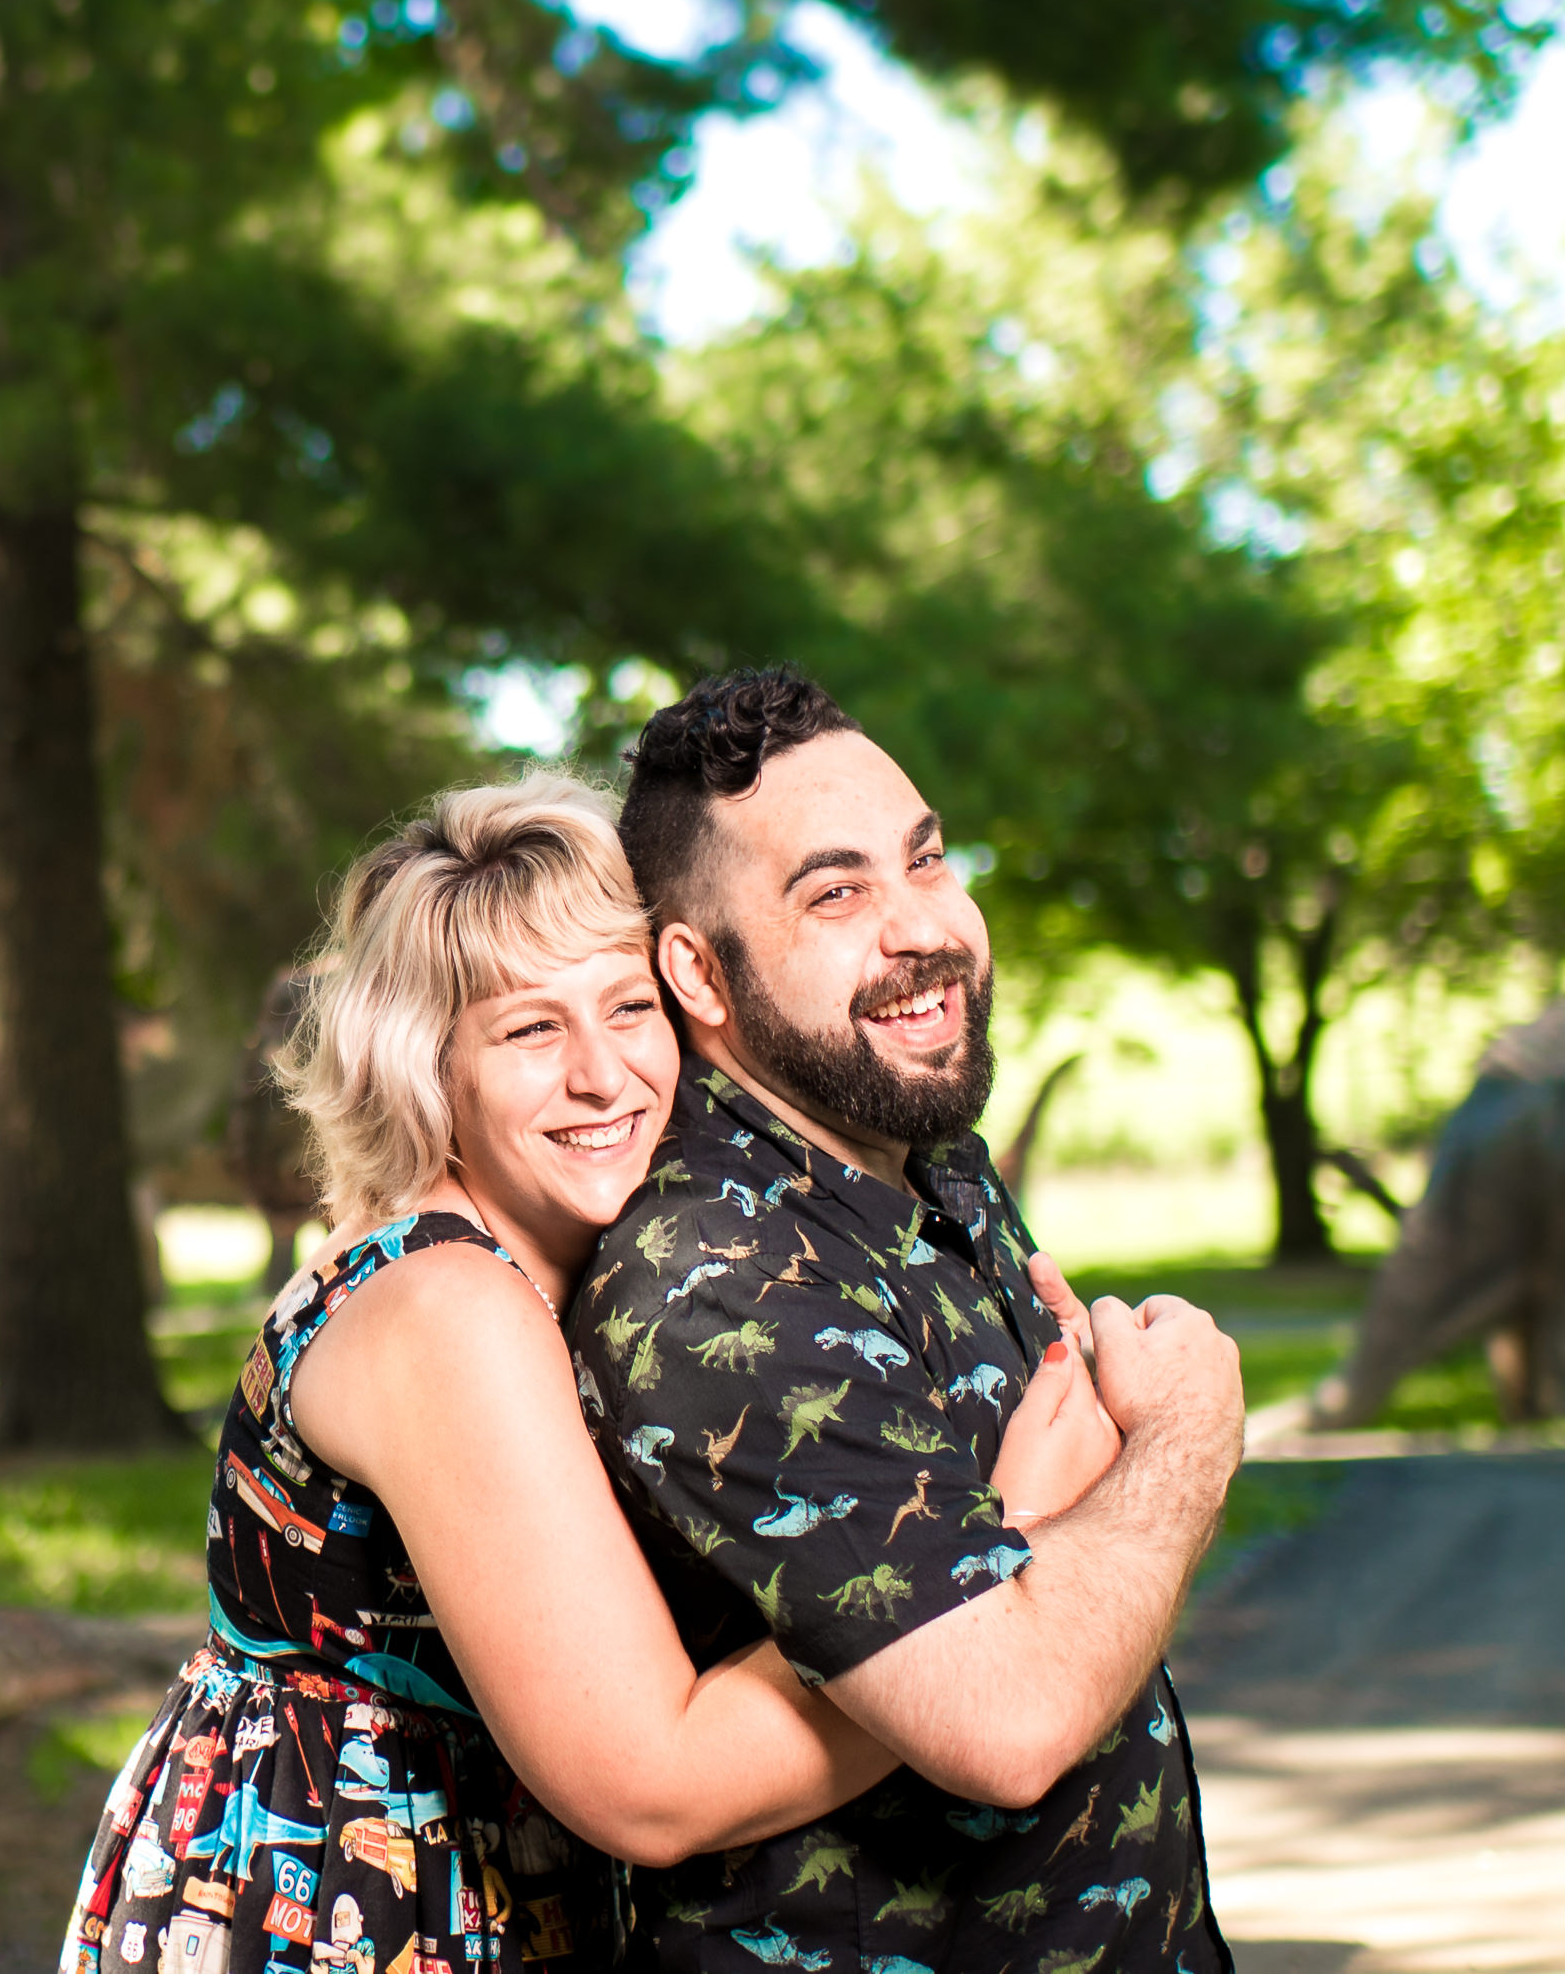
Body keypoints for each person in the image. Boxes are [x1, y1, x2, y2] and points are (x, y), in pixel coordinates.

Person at [62, 777, 1120, 1974]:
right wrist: (1001, 1534)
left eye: (627, 1007)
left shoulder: (561, 1278)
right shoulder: (449, 1309)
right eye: (528, 1029)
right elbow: (653, 1787)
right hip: (358, 1906)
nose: (601, 1074)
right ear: (429, 1068)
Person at [570, 667, 1247, 1973]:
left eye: (927, 861)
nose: (921, 928)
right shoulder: (718, 1269)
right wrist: (1186, 1442)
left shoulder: (922, 1149)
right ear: (698, 975)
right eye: (837, 893)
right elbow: (1008, 1720)